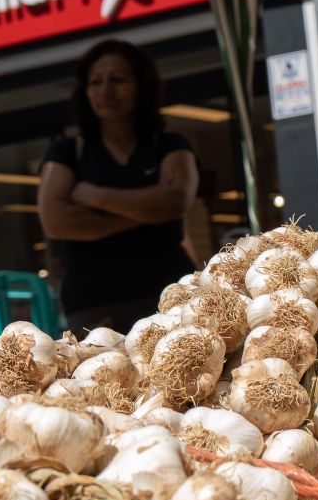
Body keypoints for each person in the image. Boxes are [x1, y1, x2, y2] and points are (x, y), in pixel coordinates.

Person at [38, 39, 199, 333]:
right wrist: (151, 215)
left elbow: (175, 201)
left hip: (171, 295)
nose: (105, 91)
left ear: (142, 86)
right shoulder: (66, 152)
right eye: (95, 82)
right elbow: (55, 221)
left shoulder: (170, 145)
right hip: (92, 305)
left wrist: (93, 196)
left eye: (118, 79)